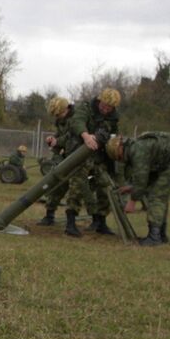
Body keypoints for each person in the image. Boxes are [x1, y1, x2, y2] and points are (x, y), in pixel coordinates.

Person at [107, 133, 170, 245]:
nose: (121, 160)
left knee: (156, 196)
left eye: (118, 158)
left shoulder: (137, 151)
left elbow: (141, 179)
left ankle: (154, 237)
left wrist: (132, 201)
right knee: (160, 195)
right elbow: (149, 177)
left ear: (120, 149)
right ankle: (161, 235)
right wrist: (131, 188)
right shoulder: (139, 146)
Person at [51, 88, 121, 237]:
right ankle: (70, 224)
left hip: (100, 156)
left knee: (106, 187)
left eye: (109, 108)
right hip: (79, 152)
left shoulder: (113, 117)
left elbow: (114, 134)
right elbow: (77, 122)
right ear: (99, 101)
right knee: (77, 186)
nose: (105, 110)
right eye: (103, 106)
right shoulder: (86, 108)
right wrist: (86, 136)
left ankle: (101, 222)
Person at [36, 96, 72, 225]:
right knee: (56, 185)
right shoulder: (61, 121)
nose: (59, 117)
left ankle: (96, 221)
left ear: (67, 108)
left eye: (60, 113)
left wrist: (59, 141)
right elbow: (61, 136)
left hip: (78, 158)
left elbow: (73, 136)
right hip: (65, 157)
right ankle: (49, 215)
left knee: (78, 190)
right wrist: (53, 139)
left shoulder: (76, 119)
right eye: (56, 115)